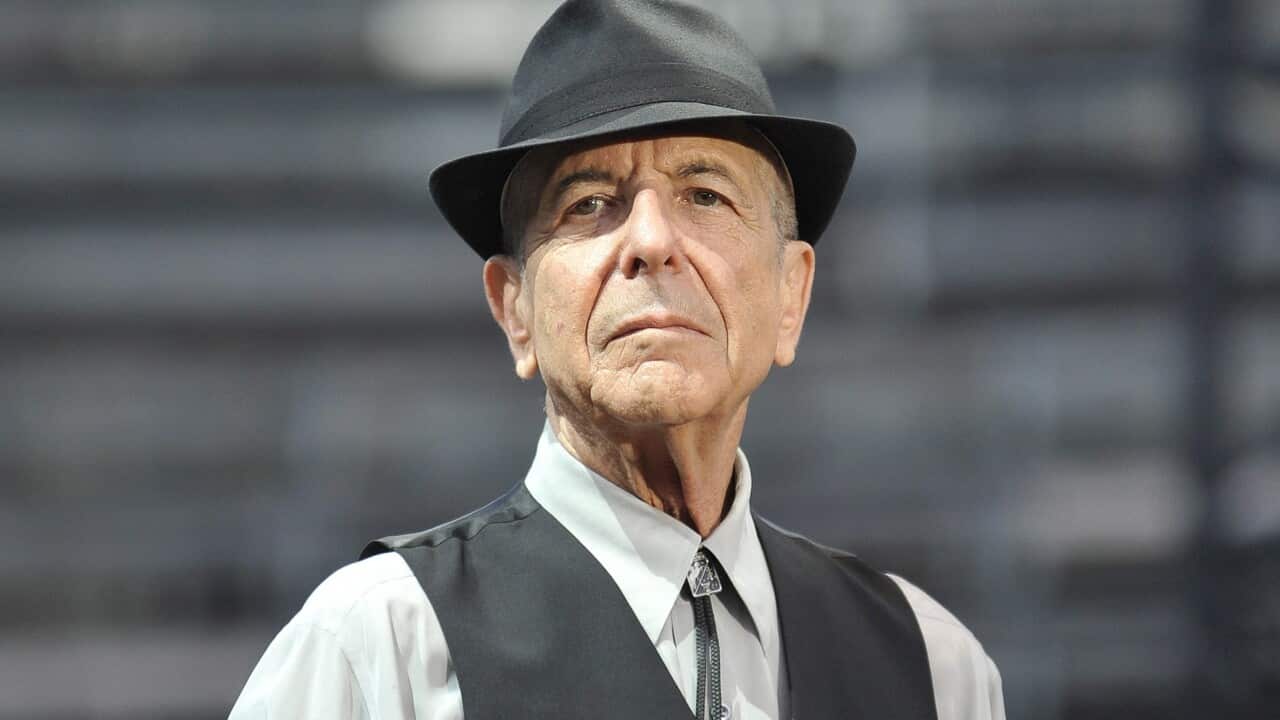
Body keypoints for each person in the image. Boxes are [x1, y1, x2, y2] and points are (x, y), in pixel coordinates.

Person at [229, 1, 1005, 718]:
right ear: (515, 309)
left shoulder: (935, 672)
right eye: (589, 203)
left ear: (791, 295)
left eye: (705, 194)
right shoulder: (381, 650)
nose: (652, 241)